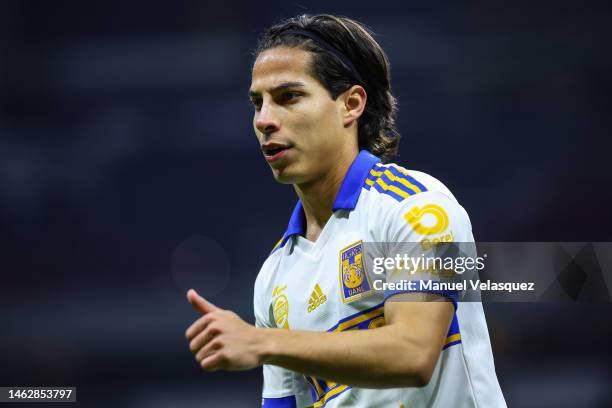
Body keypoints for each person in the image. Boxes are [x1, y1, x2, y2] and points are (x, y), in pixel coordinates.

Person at [185, 14, 506, 407]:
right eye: (257, 102)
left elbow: (413, 354)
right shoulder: (274, 277)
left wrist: (263, 341)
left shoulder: (414, 208)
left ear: (350, 105)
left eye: (289, 97)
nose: (264, 120)